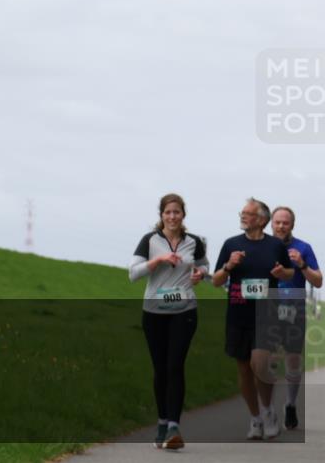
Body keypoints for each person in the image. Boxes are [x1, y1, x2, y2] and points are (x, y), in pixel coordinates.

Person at [129, 193, 209, 450]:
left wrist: (200, 274)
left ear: (183, 215)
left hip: (184, 311)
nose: (172, 216)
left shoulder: (194, 241)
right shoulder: (150, 240)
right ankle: (162, 422)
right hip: (154, 313)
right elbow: (133, 273)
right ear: (161, 215)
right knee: (161, 368)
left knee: (175, 365)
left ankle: (174, 427)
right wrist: (159, 260)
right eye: (168, 212)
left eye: (177, 212)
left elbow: (204, 268)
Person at [212, 197, 294, 440]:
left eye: (247, 213)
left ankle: (268, 412)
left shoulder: (275, 246)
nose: (242, 216)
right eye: (242, 213)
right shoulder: (231, 244)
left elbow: (289, 273)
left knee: (259, 364)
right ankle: (255, 418)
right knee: (244, 370)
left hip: (267, 315)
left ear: (261, 219)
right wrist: (229, 265)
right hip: (238, 314)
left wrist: (282, 272)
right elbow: (216, 281)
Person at [270, 206, 322, 430]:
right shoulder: (263, 246)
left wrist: (302, 264)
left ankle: (290, 404)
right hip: (267, 308)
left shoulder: (303, 248)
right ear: (271, 223)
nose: (281, 226)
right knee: (265, 359)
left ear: (292, 225)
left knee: (292, 359)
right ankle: (267, 408)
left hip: (293, 309)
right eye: (277, 222)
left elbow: (318, 281)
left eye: (286, 223)